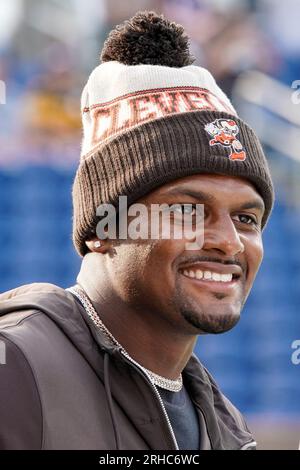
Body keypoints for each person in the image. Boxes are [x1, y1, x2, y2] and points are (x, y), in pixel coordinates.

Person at [0, 11, 274, 450]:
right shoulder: (14, 372)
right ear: (103, 227)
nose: (228, 241)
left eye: (246, 218)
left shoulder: (225, 425)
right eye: (186, 210)